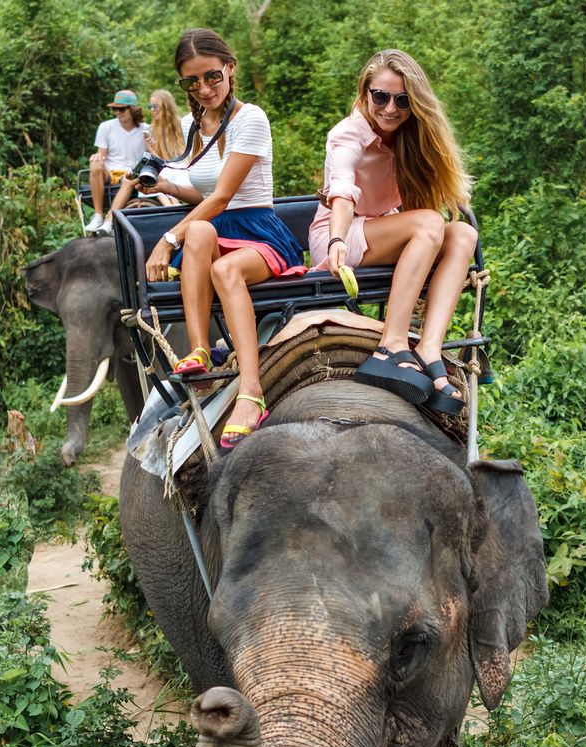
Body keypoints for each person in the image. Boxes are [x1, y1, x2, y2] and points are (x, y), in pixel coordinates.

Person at [142, 28, 305, 451]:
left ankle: (251, 392)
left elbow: (225, 196)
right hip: (214, 229)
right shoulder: (191, 124)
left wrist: (168, 239)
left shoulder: (250, 118)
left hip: (257, 233)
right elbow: (204, 196)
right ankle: (198, 350)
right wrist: (167, 186)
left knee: (222, 264)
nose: (203, 88)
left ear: (230, 68)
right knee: (199, 230)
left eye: (212, 77)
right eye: (191, 82)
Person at [309, 49, 476, 415]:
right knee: (429, 221)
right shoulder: (347, 135)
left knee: (463, 234)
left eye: (402, 100)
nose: (390, 108)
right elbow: (341, 189)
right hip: (339, 238)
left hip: (382, 231)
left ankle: (430, 347)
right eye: (380, 96)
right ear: (365, 92)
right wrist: (337, 238)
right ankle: (391, 344)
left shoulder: (409, 135)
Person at [107, 89, 189, 221]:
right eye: (150, 107)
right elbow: (158, 159)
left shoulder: (183, 125)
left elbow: (190, 153)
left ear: (166, 107)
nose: (152, 110)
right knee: (157, 175)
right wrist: (152, 148)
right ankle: (171, 209)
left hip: (183, 166)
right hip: (166, 167)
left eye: (155, 106)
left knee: (168, 174)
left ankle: (175, 208)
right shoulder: (150, 129)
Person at [86, 90, 148, 234]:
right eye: (115, 109)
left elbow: (151, 156)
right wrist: (97, 158)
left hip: (131, 173)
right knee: (95, 164)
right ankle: (98, 215)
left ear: (132, 109)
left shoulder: (145, 130)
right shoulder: (106, 127)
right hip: (110, 172)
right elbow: (101, 154)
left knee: (129, 178)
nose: (117, 112)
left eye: (121, 109)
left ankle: (110, 219)